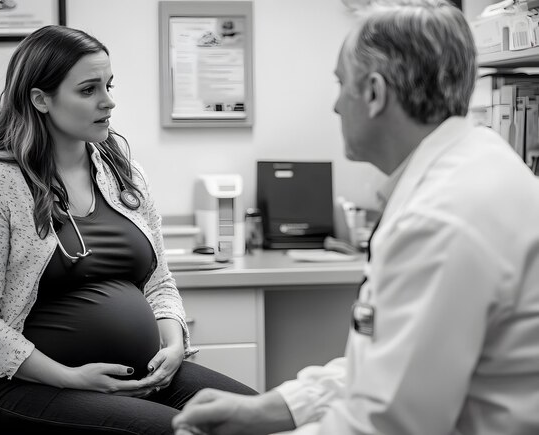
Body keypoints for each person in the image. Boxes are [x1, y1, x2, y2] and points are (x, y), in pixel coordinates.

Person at [173, 1, 539, 434]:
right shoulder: (476, 163)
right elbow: (394, 361)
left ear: (374, 92)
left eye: (341, 84)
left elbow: (386, 424)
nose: (334, 106)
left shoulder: (441, 217)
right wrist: (271, 409)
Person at [0, 24, 256, 435]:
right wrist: (69, 377)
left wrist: (175, 346)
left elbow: (159, 283)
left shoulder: (123, 173)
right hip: (10, 387)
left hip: (137, 379)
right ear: (41, 99)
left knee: (260, 418)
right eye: (88, 90)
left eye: (109, 85)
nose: (108, 102)